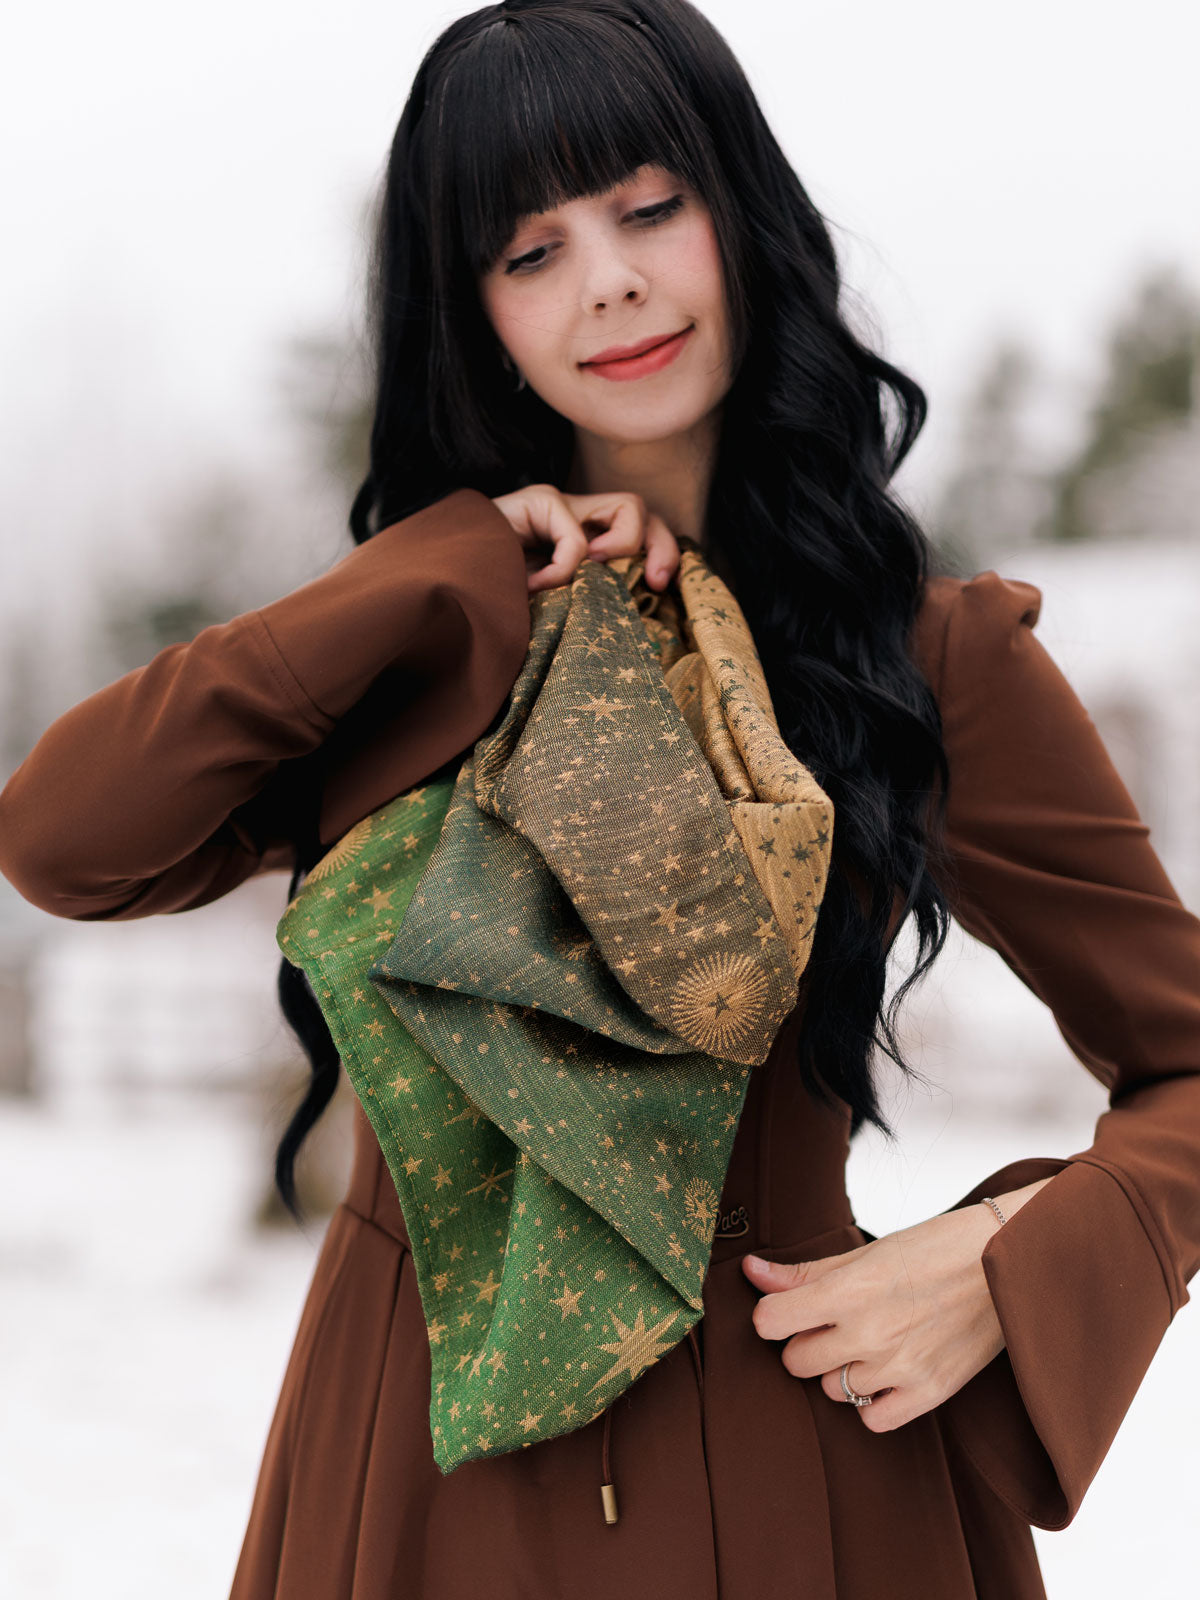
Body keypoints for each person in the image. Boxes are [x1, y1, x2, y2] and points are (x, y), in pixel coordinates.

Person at [1, 2, 1197, 1595]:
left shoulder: (933, 660)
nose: (611, 281)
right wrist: (438, 565)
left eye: (649, 210)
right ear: (472, 310)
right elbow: (62, 840)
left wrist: (1004, 1254)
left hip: (801, 1473)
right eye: (530, 251)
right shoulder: (425, 640)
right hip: (414, 1479)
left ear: (741, 220)